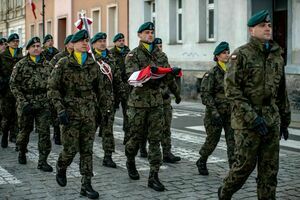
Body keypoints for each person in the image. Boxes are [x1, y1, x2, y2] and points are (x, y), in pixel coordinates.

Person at [218, 10, 291, 200]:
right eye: (262, 26)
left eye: (269, 25)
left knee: (269, 170)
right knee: (243, 167)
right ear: (252, 30)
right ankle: (224, 193)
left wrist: (285, 120)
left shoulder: (277, 55)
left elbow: (281, 91)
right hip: (247, 122)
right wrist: (252, 117)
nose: (267, 28)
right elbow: (232, 90)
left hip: (271, 119)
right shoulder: (241, 55)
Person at [124, 22, 180, 191]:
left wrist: (176, 92)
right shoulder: (132, 55)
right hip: (138, 104)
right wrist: (152, 73)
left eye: (151, 32)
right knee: (134, 138)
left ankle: (153, 176)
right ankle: (130, 160)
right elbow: (132, 77)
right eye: (146, 32)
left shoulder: (161, 55)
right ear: (139, 35)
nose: (150, 35)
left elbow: (168, 76)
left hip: (156, 103)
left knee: (155, 140)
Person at [48, 30, 100, 199]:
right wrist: (60, 109)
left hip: (89, 113)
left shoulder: (93, 64)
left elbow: (102, 90)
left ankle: (86, 185)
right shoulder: (63, 63)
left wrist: (103, 111)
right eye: (81, 41)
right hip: (70, 114)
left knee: (87, 150)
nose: (85, 43)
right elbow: (52, 88)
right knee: (70, 150)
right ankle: (61, 167)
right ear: (74, 44)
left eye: (87, 41)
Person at [10, 37, 53, 172]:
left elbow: (53, 84)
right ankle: (22, 151)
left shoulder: (48, 65)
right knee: (25, 131)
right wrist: (22, 102)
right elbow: (13, 85)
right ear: (28, 49)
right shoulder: (21, 64)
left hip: (43, 103)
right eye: (33, 46)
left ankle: (43, 161)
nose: (36, 48)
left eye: (38, 46)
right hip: (26, 103)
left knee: (44, 133)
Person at [196, 42, 235, 175]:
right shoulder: (211, 73)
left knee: (233, 142)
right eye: (224, 53)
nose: (227, 55)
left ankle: (233, 169)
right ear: (217, 56)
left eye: (228, 52)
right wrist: (214, 112)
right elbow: (206, 95)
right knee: (212, 141)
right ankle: (202, 160)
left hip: (230, 113)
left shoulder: (232, 71)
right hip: (215, 114)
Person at [91, 32, 124, 168]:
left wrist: (121, 96)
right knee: (89, 130)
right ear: (93, 44)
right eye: (99, 41)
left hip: (108, 101)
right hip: (92, 102)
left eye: (104, 41)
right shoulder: (90, 58)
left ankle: (108, 156)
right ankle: (85, 152)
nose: (103, 43)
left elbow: (117, 80)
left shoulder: (111, 59)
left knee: (108, 130)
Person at [154, 37, 182, 163]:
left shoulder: (163, 58)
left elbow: (170, 78)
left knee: (166, 127)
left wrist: (177, 94)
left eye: (161, 45)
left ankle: (166, 152)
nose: (160, 48)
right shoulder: (148, 59)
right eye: (157, 45)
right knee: (152, 128)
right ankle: (144, 148)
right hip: (152, 100)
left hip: (165, 99)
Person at [49, 34, 74, 145]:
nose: (74, 44)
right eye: (72, 42)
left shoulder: (77, 56)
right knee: (57, 113)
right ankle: (56, 133)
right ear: (67, 44)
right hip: (60, 89)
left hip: (71, 90)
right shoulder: (59, 57)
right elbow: (50, 71)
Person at [0, 33, 23, 148]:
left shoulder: (21, 55)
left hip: (17, 91)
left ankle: (13, 136)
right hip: (6, 91)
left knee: (17, 115)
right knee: (6, 116)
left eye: (17, 41)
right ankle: (4, 135)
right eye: (13, 41)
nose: (16, 43)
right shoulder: (2, 56)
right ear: (8, 43)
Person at [109, 33, 131, 145]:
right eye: (120, 40)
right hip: (115, 88)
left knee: (127, 113)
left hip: (126, 87)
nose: (122, 42)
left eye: (123, 40)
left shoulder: (129, 52)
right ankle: (106, 132)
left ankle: (127, 135)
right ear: (115, 42)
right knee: (110, 112)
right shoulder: (111, 53)